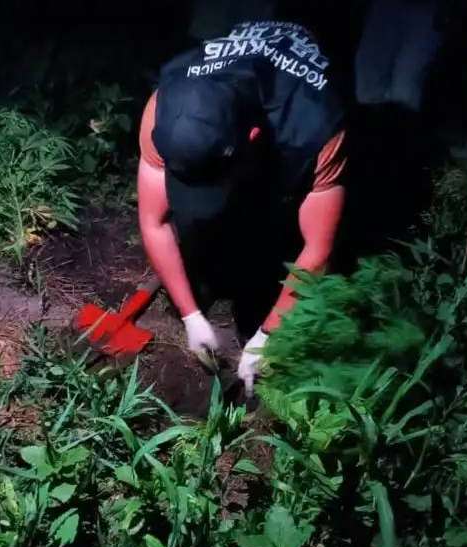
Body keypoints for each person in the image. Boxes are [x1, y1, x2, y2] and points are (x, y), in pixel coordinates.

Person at [137, 20, 347, 395]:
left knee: (275, 225)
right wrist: (191, 316)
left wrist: (268, 334)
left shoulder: (316, 127)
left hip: (289, 124)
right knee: (208, 224)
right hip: (242, 110)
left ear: (250, 139)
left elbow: (317, 249)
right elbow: (155, 221)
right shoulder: (164, 109)